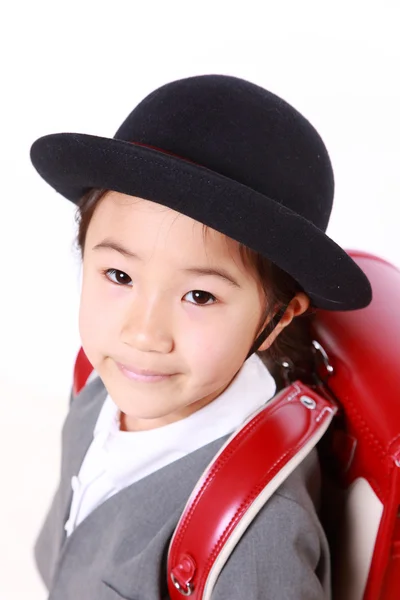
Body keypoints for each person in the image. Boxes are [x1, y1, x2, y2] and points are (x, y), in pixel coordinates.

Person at [30, 74, 372, 599]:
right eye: (119, 276)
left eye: (199, 297)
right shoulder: (98, 387)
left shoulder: (258, 537)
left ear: (277, 319)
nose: (143, 333)